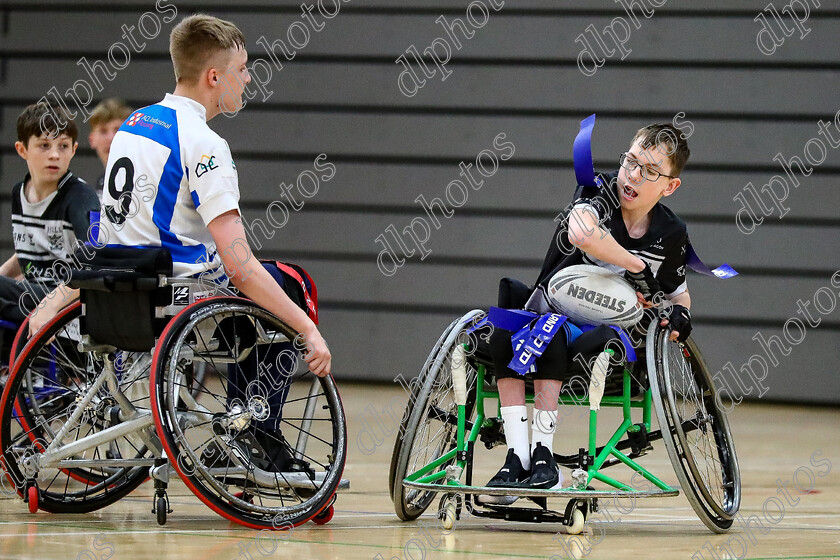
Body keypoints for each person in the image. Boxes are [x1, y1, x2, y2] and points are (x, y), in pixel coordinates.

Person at [27, 15, 331, 466]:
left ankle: (241, 428)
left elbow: (107, 237)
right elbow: (240, 267)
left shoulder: (132, 124)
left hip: (119, 297)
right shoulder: (204, 143)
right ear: (214, 76)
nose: (248, 78)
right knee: (291, 284)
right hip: (177, 298)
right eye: (242, 68)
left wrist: (58, 298)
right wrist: (308, 330)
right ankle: (253, 433)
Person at [480, 123, 693, 503]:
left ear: (669, 186)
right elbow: (581, 232)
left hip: (605, 339)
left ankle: (544, 458)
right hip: (552, 307)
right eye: (630, 162)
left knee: (553, 336)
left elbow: (679, 296)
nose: (633, 176)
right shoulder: (599, 191)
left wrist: (681, 315)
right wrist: (636, 267)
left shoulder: (672, 233)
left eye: (650, 171)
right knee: (503, 331)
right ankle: (518, 456)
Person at [0, 102, 99, 359]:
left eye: (63, 146)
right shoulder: (18, 192)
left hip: (67, 301)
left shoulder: (81, 197)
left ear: (74, 150)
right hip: (32, 293)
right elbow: (31, 247)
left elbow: (93, 263)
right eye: (44, 145)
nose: (55, 154)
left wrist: (49, 306)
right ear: (22, 150)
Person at [88, 98, 133, 199]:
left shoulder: (141, 180)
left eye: (117, 130)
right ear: (92, 140)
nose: (111, 138)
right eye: (103, 131)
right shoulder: (101, 182)